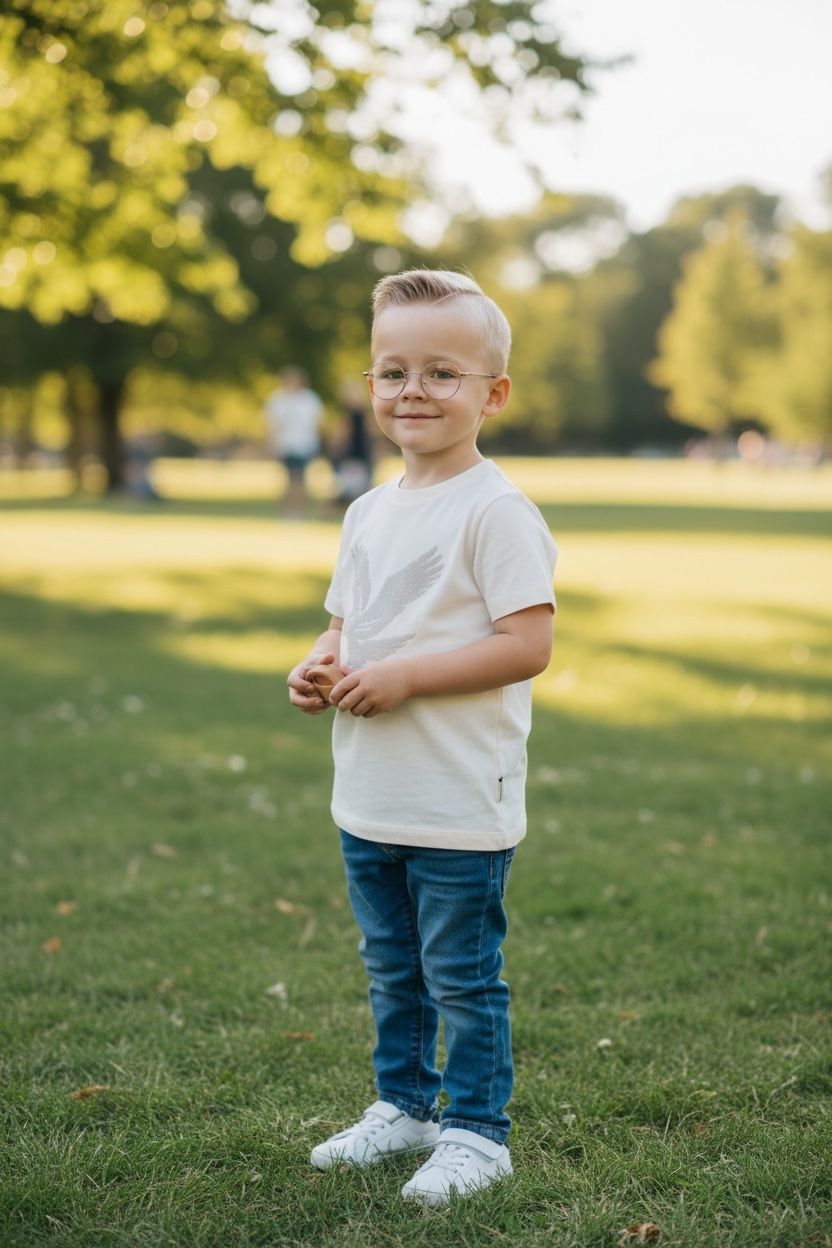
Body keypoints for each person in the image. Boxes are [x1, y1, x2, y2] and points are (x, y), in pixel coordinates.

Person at [287, 270, 558, 1208]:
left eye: (442, 372)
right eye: (392, 370)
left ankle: (479, 1134)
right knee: (391, 967)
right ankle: (404, 1107)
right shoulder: (366, 510)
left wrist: (405, 677)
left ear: (493, 393)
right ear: (370, 385)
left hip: (454, 799)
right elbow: (345, 624)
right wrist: (321, 663)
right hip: (370, 793)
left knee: (461, 977)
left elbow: (528, 644)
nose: (413, 391)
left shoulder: (496, 510)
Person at [264, 366, 323, 515]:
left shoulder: (309, 399)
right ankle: (288, 510)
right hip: (285, 445)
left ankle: (297, 509)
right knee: (288, 479)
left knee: (299, 478)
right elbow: (272, 424)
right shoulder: (277, 399)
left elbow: (316, 423)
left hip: (304, 445)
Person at [330, 379, 374, 506]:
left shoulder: (362, 413)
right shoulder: (347, 414)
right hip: (349, 454)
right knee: (348, 487)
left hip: (361, 453)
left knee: (360, 487)